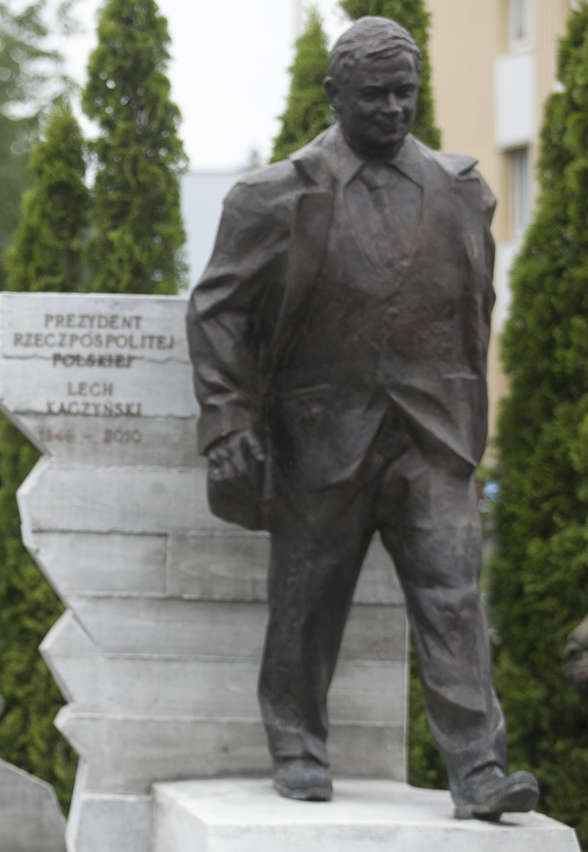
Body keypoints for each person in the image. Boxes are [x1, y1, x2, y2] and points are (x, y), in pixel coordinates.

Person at [186, 16, 537, 820]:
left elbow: (474, 306)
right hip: (320, 435)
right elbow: (217, 314)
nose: (392, 109)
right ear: (334, 93)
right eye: (373, 95)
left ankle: (479, 771)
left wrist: (461, 415)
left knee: (454, 595)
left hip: (431, 437)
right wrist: (230, 424)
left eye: (405, 93)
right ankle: (299, 745)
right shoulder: (274, 195)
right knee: (309, 598)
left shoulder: (462, 190)